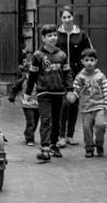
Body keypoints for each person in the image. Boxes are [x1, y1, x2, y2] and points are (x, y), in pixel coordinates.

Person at [24, 24, 74, 162]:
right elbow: (33, 75)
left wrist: (70, 89)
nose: (53, 38)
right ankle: (45, 148)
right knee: (46, 119)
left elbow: (67, 73)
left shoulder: (62, 55)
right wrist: (28, 93)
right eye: (49, 36)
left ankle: (53, 145)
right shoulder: (38, 55)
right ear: (43, 38)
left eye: (54, 35)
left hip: (59, 93)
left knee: (57, 121)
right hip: (43, 93)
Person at [56, 6, 92, 148]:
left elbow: (89, 53)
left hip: (77, 74)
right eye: (64, 17)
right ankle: (61, 136)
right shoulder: (56, 34)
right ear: (61, 19)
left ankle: (70, 135)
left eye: (69, 17)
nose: (67, 20)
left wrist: (87, 72)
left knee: (74, 104)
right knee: (64, 104)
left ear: (73, 17)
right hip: (61, 74)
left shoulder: (82, 35)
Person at [71, 48, 107, 158]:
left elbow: (106, 90)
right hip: (86, 108)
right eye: (86, 60)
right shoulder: (80, 77)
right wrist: (73, 96)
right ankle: (89, 147)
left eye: (91, 60)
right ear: (82, 62)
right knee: (86, 128)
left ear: (96, 61)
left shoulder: (100, 76)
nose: (89, 62)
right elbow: (76, 89)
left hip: (99, 106)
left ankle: (99, 144)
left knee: (101, 125)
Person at [7, 52, 40, 146]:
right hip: (27, 104)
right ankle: (30, 138)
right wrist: (11, 96)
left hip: (37, 104)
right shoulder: (23, 80)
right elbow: (15, 88)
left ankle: (29, 133)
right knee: (31, 121)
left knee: (36, 121)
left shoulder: (39, 80)